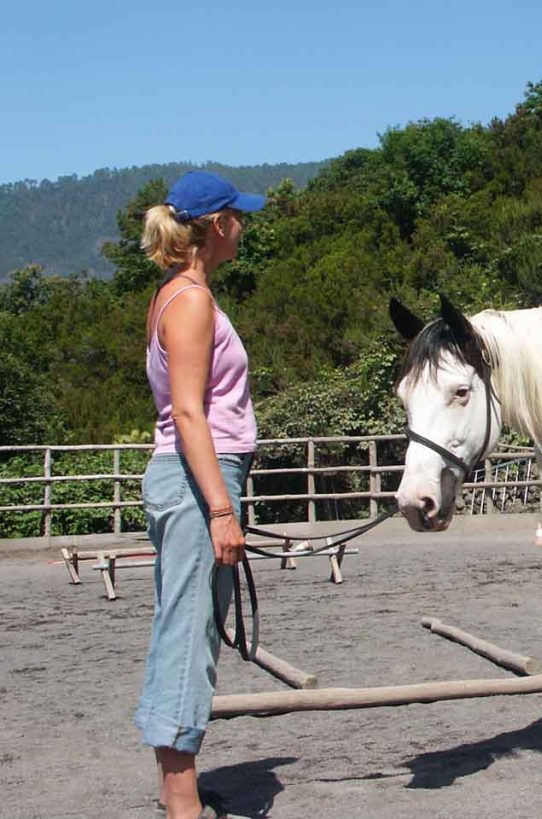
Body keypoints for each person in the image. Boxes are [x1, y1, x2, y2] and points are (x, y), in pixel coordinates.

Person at [135, 170, 265, 819]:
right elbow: (189, 413)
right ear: (217, 225)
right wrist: (220, 506)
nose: (244, 226)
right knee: (189, 633)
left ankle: (174, 785)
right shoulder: (191, 301)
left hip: (193, 477)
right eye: (238, 217)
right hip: (196, 482)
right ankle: (182, 799)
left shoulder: (178, 293)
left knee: (186, 624)